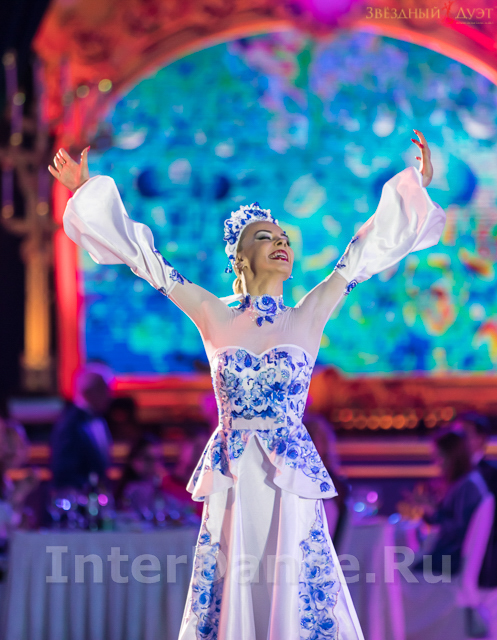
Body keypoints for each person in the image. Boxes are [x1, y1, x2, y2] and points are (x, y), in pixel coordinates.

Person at [49, 130, 444, 640]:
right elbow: (147, 263)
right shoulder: (214, 314)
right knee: (232, 593)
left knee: (293, 596)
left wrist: (416, 188)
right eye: (265, 237)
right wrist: (86, 192)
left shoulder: (307, 316)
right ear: (239, 259)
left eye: (283, 239)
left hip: (289, 481)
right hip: (235, 480)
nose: (280, 243)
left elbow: (364, 252)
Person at [414, 430, 488, 577]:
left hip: (451, 561)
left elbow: (459, 531)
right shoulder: (465, 482)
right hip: (450, 557)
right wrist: (430, 510)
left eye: (439, 457)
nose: (437, 463)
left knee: (394, 566)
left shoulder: (467, 486)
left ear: (451, 456)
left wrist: (433, 512)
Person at [51, 363, 113, 490]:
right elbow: (63, 471)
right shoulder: (69, 424)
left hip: (97, 497)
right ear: (87, 391)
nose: (109, 396)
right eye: (104, 389)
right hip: (77, 498)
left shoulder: (100, 420)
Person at [453, 412, 497, 588]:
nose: (458, 441)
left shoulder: (490, 475)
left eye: (464, 435)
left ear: (481, 439)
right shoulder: (455, 473)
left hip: (483, 560)